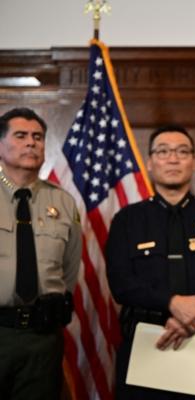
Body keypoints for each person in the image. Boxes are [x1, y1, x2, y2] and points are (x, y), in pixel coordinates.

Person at [105, 125, 195, 400]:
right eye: (163, 152)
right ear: (150, 163)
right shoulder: (128, 219)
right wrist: (172, 303)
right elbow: (121, 284)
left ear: (194, 161)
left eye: (182, 152)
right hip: (148, 342)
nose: (173, 159)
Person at [0, 107, 82, 399]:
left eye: (37, 137)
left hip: (42, 338)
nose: (31, 143)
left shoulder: (63, 202)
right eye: (20, 136)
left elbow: (70, 268)